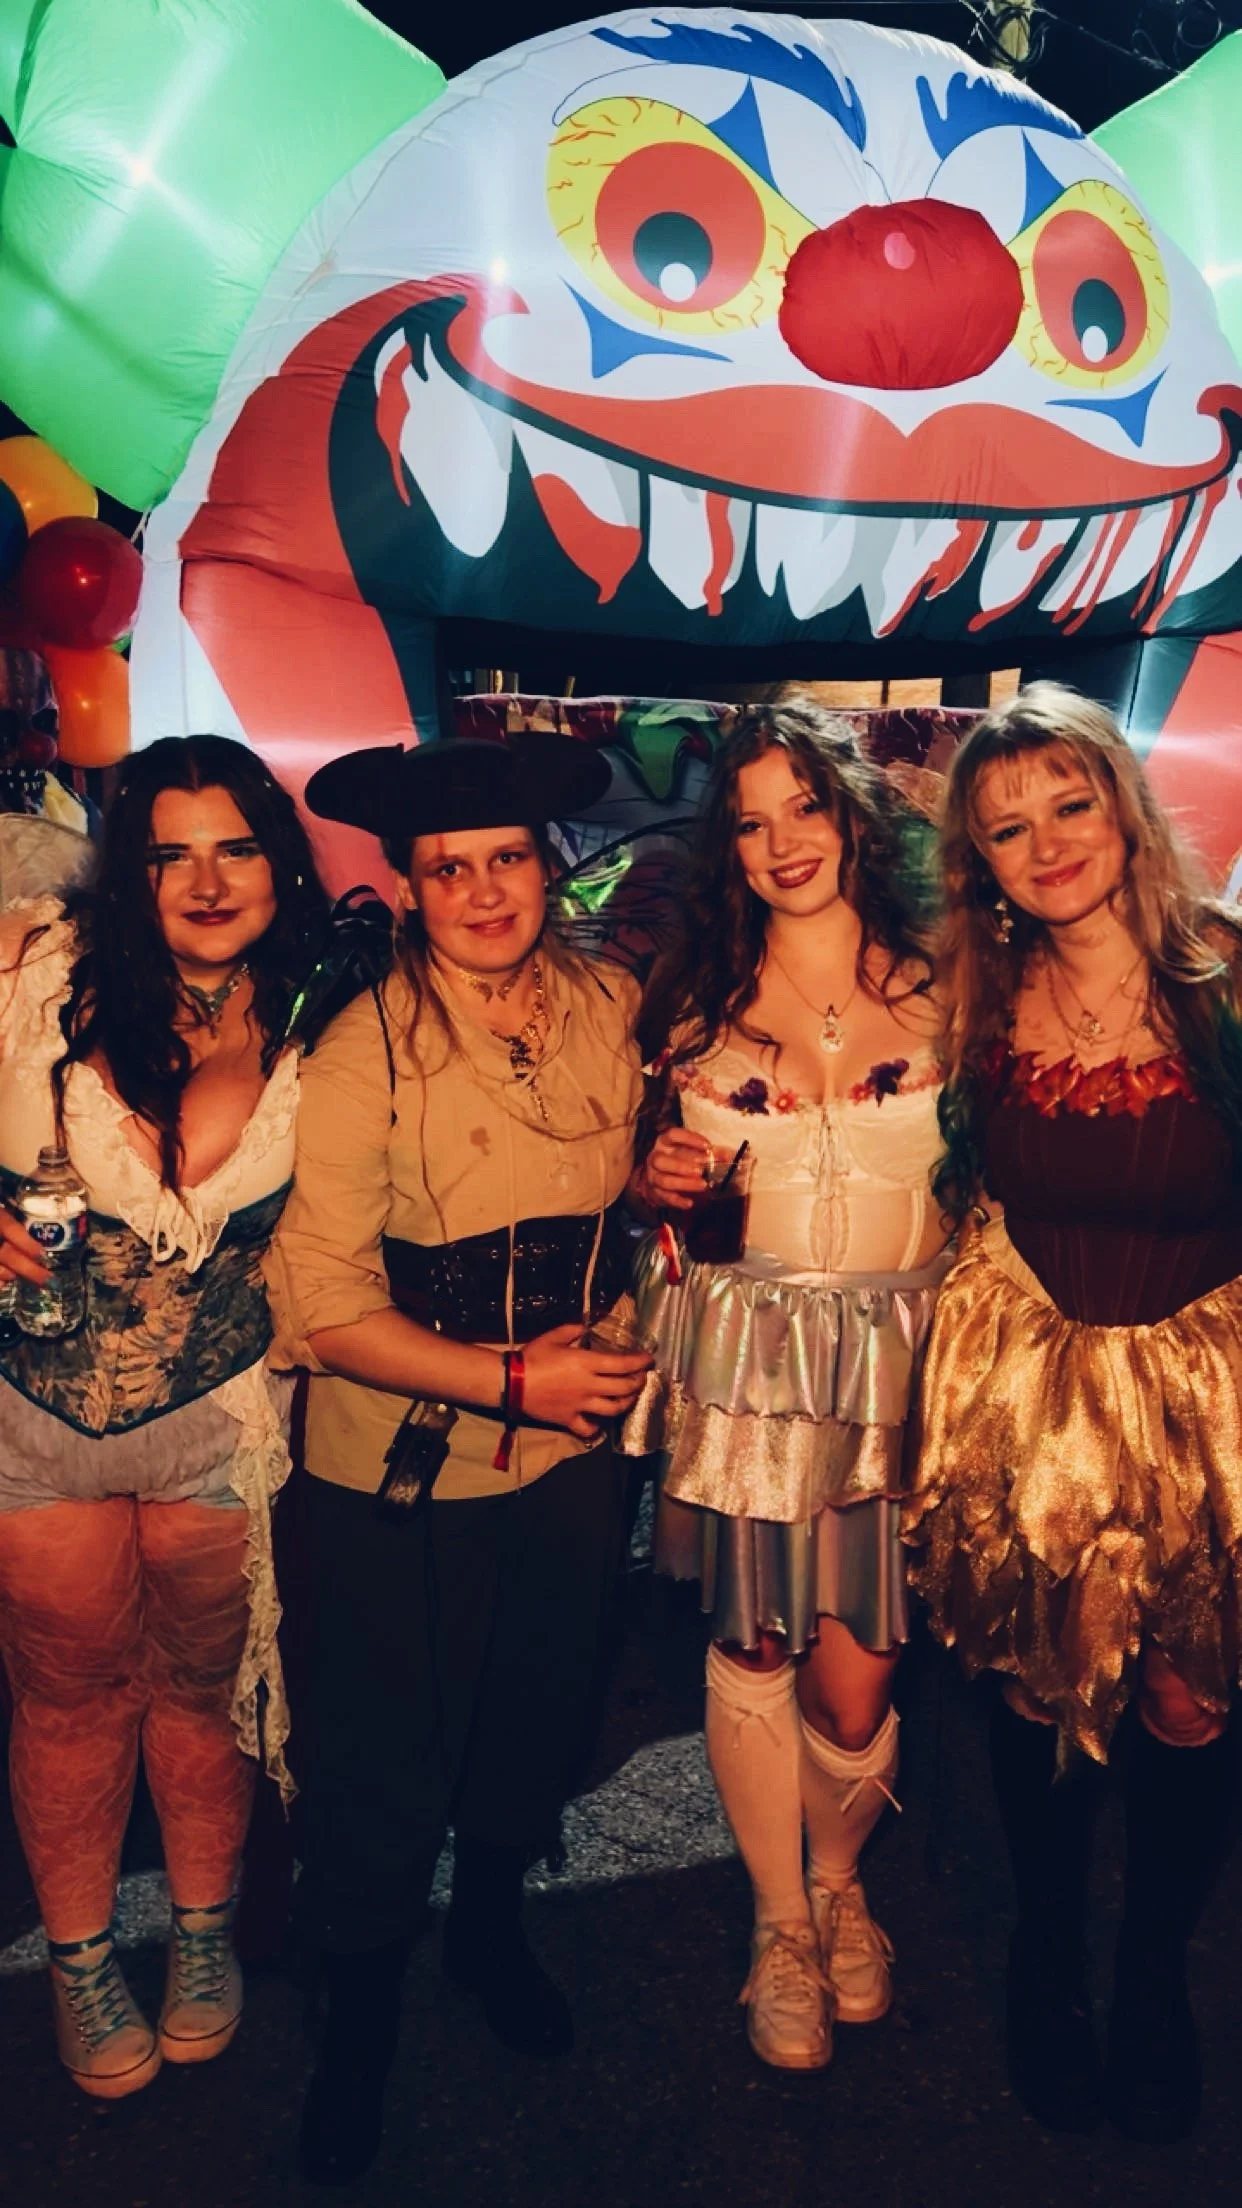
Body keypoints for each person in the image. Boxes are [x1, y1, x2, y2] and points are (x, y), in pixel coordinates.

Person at [266, 733, 650, 2186]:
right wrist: (509, 1375)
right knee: (377, 1760)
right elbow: (318, 1306)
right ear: (408, 889)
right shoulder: (362, 1047)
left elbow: (641, 1180)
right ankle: (355, 2038)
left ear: (541, 867)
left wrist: (664, 1190)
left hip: (568, 1456)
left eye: (504, 860)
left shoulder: (611, 1003)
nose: (483, 890)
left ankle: (488, 1935)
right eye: (448, 869)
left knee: (535, 1716)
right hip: (398, 1473)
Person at [903, 681, 1242, 2144]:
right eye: (1004, 829)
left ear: (1119, 803)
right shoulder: (969, 1004)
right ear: (975, 861)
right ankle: (1046, 1956)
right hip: (1033, 1401)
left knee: (1185, 1700)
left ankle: (1151, 1972)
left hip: (1207, 1399)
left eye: (1066, 803)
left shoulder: (1226, 983)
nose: (1043, 844)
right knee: (1039, 1691)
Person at [0, 735, 330, 2099]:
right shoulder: (28, 978)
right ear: (126, 874)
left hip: (221, 1422)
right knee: (71, 1698)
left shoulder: (326, 1004)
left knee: (201, 1695)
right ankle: (82, 1959)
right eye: (169, 852)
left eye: (235, 847)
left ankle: (202, 1936)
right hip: (37, 1424)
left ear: (277, 862)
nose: (205, 880)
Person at [627, 699, 948, 2072]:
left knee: (858, 1688)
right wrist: (653, 1179)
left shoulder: (949, 983)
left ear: (852, 814)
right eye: (749, 823)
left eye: (802, 808)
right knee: (754, 1646)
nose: (779, 843)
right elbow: (629, 1181)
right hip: (749, 1363)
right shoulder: (690, 997)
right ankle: (787, 1923)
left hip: (900, 1365)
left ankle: (837, 1875)